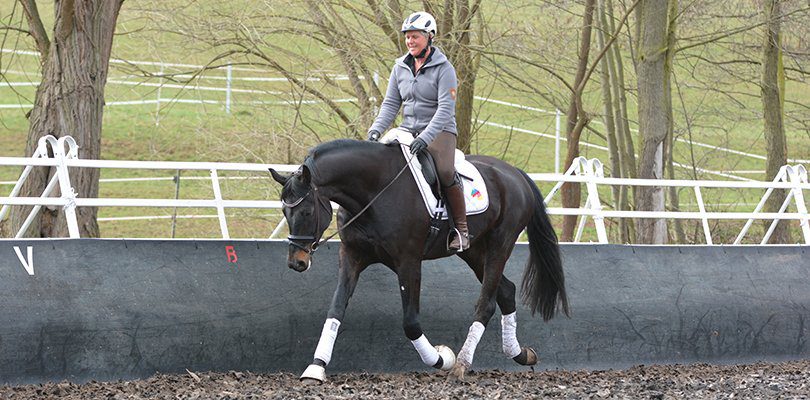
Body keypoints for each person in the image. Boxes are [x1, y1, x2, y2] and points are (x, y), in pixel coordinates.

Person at [366, 11, 468, 252]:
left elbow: (445, 109)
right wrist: (375, 132)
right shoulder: (399, 67)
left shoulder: (445, 69)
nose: (410, 41)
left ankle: (461, 230)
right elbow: (391, 104)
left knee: (443, 171)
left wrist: (425, 137)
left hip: (440, 132)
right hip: (407, 130)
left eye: (415, 37)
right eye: (408, 37)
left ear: (429, 37)